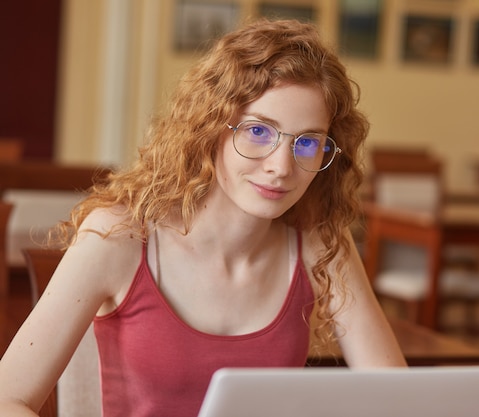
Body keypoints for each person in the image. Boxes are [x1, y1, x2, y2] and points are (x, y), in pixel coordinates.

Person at [0, 18, 406, 416]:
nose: (282, 167)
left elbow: (399, 400)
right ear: (210, 127)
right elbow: (7, 398)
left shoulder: (320, 239)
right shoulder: (118, 235)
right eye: (259, 131)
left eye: (307, 142)